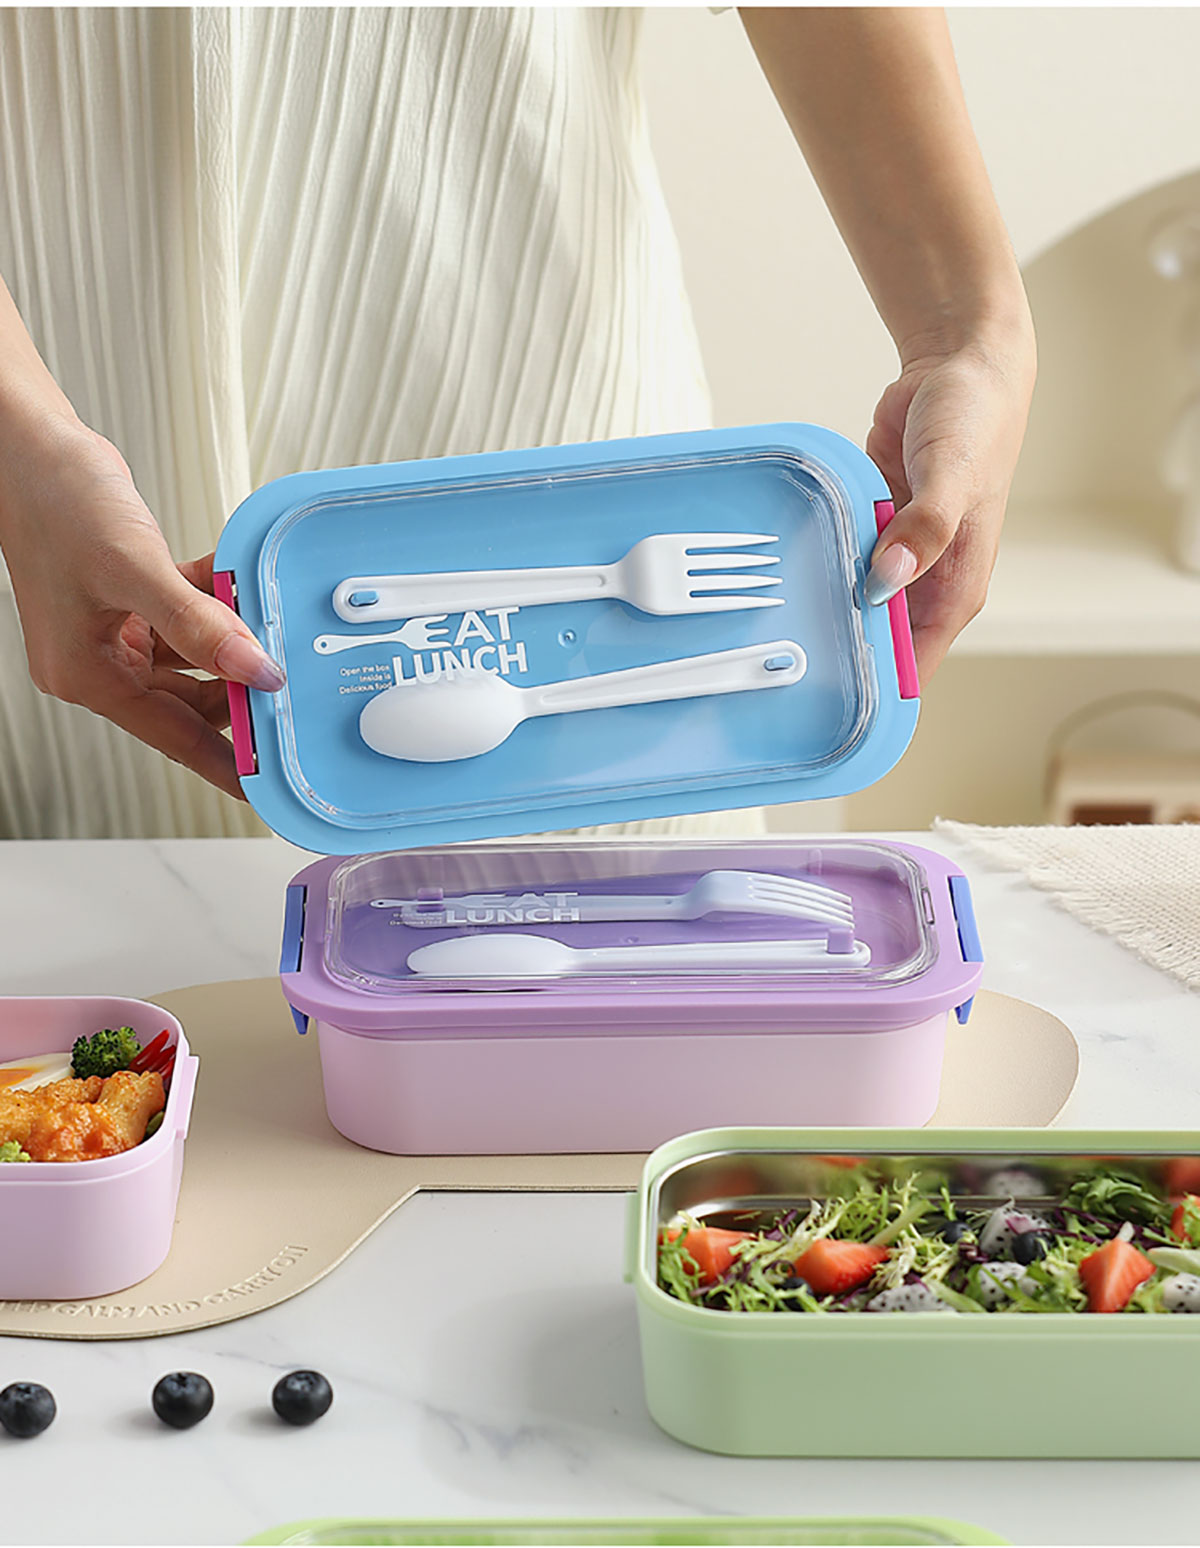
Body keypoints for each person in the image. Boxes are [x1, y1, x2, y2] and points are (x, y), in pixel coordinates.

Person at [0, 7, 1035, 839]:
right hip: (51, 405)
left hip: (539, 375)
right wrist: (26, 447)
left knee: (629, 919)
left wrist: (968, 330)